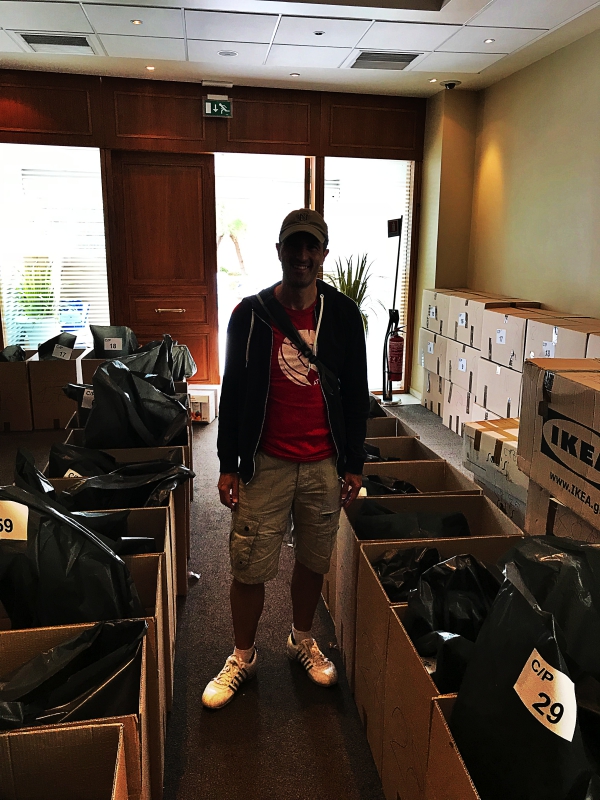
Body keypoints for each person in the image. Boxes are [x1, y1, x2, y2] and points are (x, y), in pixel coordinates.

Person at [202, 208, 369, 710]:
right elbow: (233, 392)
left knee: (313, 559)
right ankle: (243, 656)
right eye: (293, 246)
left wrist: (354, 463)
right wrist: (228, 463)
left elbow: (356, 393)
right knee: (249, 565)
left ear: (323, 254)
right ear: (279, 251)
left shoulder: (343, 316)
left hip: (324, 463)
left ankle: (301, 639)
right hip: (266, 461)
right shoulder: (249, 315)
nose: (302, 255)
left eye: (311, 246)